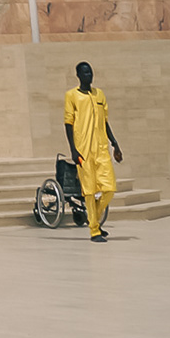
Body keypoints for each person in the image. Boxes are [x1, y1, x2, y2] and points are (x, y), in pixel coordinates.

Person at [65, 61, 123, 243]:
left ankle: (94, 219)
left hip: (101, 149)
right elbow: (68, 123)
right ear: (78, 75)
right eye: (84, 72)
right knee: (89, 191)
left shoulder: (100, 95)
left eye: (90, 72)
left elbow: (105, 122)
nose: (88, 75)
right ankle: (94, 231)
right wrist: (73, 150)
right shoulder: (72, 96)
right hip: (83, 150)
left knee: (110, 188)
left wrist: (115, 144)